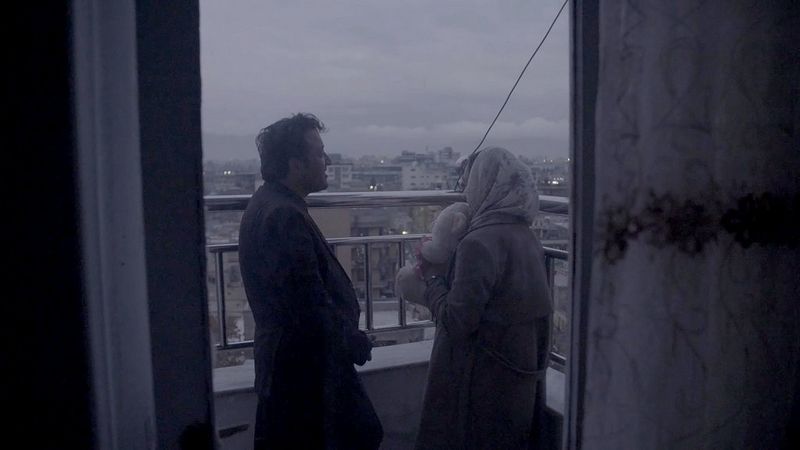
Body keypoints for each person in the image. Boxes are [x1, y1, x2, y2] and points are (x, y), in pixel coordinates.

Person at [239, 113, 383, 450]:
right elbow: (307, 301)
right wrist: (352, 341)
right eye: (319, 153)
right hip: (303, 376)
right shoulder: (285, 216)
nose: (328, 161)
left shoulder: (271, 204)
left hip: (293, 370)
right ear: (296, 164)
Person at [414, 147, 553, 450]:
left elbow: (457, 321)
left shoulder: (478, 242)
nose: (465, 190)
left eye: (469, 181)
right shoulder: (527, 236)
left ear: (484, 183)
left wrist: (433, 279)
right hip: (520, 377)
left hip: (481, 385)